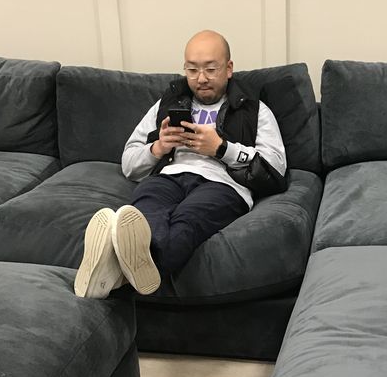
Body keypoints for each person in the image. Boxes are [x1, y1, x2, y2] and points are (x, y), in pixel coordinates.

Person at [74, 30, 287, 298]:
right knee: (142, 216)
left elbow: (276, 168)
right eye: (192, 69)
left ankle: (113, 269)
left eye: (211, 69)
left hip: (223, 184)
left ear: (229, 68)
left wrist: (222, 149)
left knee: (186, 222)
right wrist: (158, 147)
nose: (201, 79)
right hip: (168, 177)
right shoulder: (167, 104)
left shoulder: (254, 110)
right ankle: (123, 269)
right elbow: (129, 163)